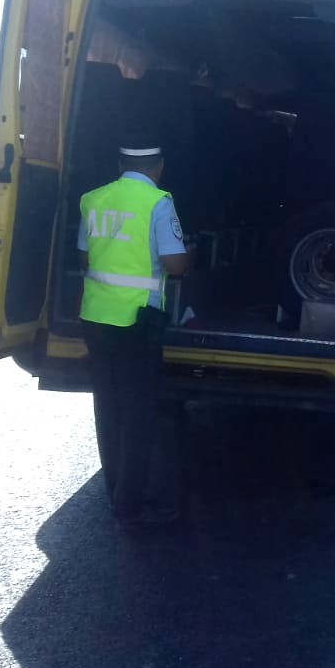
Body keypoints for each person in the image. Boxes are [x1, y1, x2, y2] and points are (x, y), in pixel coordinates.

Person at [78, 140, 191, 525]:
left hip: (95, 317)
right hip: (137, 322)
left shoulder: (92, 199)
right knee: (138, 413)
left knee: (108, 408)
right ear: (158, 167)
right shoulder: (158, 202)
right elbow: (175, 265)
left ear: (120, 163)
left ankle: (116, 493)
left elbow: (85, 255)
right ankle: (132, 504)